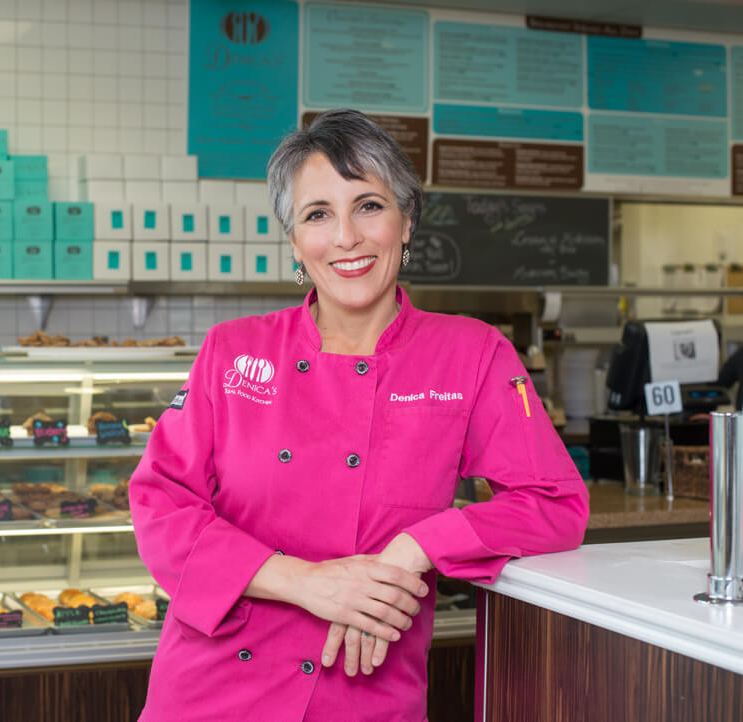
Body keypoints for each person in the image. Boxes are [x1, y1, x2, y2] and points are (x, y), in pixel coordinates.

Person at [128, 109, 590, 721]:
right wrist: (306, 583)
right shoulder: (233, 351)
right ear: (294, 241)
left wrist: (415, 548)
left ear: (407, 222)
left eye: (368, 206)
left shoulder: (471, 355)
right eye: (318, 215)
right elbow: (161, 505)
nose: (346, 237)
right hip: (213, 689)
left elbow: (554, 502)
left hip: (365, 690)